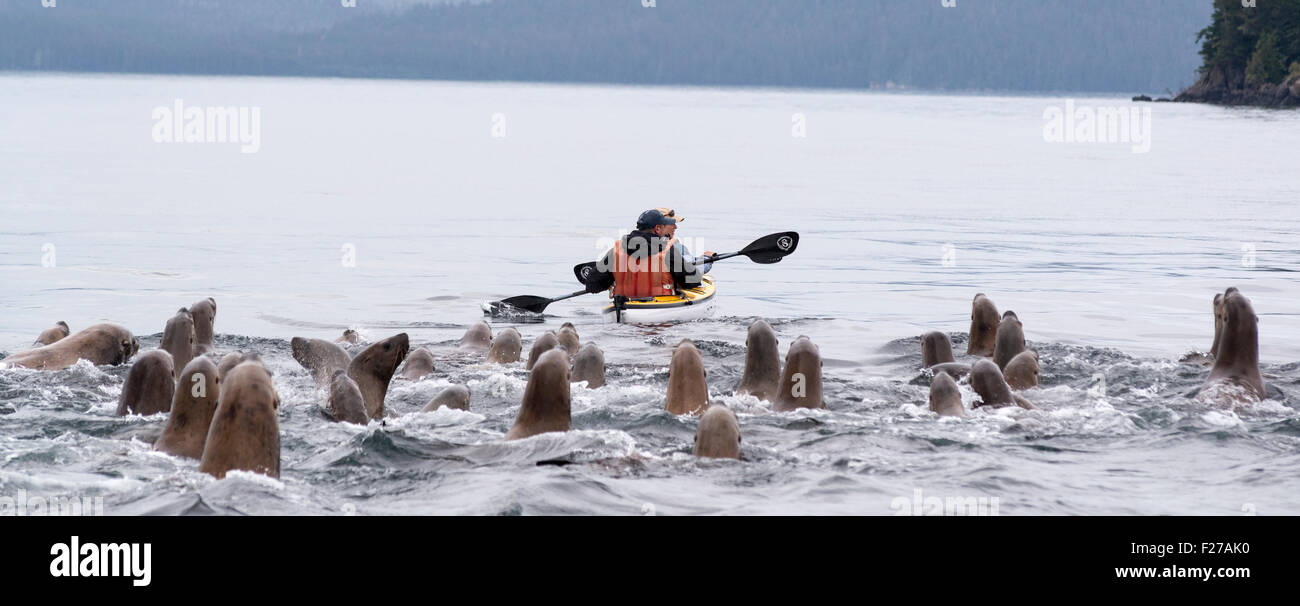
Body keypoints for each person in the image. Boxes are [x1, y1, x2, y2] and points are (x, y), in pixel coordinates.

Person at [585, 209, 715, 298]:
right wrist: (676, 281)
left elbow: (592, 284)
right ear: (658, 228)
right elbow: (693, 281)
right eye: (665, 226)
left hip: (625, 308)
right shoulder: (666, 250)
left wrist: (611, 281)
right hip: (659, 311)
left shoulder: (616, 250)